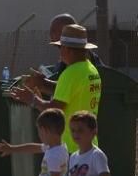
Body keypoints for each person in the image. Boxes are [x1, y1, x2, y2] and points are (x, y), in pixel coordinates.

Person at [12, 24, 101, 153]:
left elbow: (55, 110)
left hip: (71, 147)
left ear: (67, 49)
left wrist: (32, 99)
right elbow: (67, 93)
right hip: (88, 145)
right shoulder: (91, 69)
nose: (59, 52)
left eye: (60, 48)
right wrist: (42, 83)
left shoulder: (70, 74)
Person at [26, 14, 103, 97]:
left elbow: (68, 90)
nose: (50, 34)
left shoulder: (76, 63)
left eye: (54, 31)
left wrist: (41, 85)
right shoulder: (81, 62)